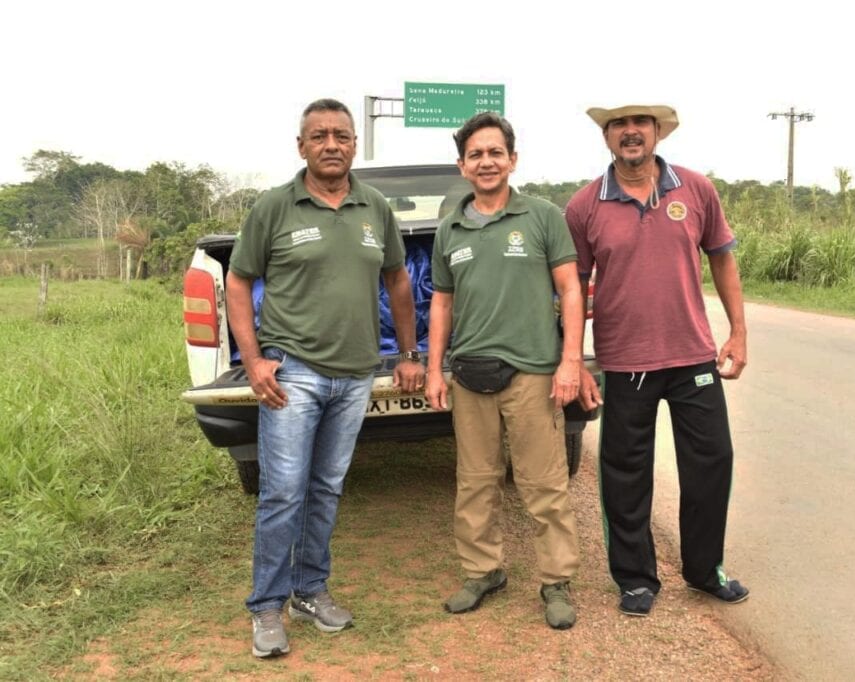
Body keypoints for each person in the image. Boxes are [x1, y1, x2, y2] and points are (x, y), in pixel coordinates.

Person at [226, 98, 425, 658]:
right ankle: (267, 606)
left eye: (341, 135)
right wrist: (254, 358)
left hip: (356, 375)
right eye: (319, 136)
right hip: (294, 373)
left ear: (354, 144)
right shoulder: (274, 207)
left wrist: (409, 353)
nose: (331, 144)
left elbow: (398, 281)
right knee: (284, 492)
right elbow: (239, 282)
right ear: (301, 146)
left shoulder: (374, 207)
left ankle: (311, 590)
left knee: (326, 488)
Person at [565, 104, 749, 617]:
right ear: (606, 137)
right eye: (619, 125)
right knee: (625, 473)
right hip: (626, 362)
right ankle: (635, 579)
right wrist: (576, 359)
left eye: (640, 123)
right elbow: (574, 287)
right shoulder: (583, 206)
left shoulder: (694, 189)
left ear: (657, 132)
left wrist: (738, 332)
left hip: (693, 356)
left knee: (712, 464)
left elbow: (722, 257)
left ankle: (704, 570)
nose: (630, 132)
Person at [424, 112, 585, 630]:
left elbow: (570, 289)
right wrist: (433, 369)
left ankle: (555, 581)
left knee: (544, 482)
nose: (486, 161)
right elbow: (442, 306)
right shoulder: (450, 228)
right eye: (476, 154)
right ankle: (483, 571)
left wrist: (570, 362)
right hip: (469, 375)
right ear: (462, 166)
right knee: (474, 481)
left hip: (533, 373)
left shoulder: (541, 217)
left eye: (496, 152)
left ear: (512, 160)